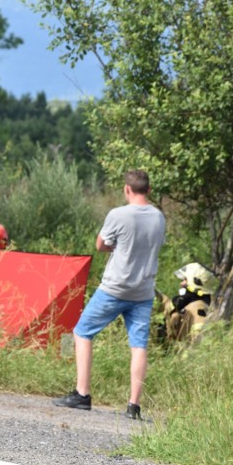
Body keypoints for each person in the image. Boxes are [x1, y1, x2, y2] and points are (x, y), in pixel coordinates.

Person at [53, 170, 166, 420]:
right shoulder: (158, 218)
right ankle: (133, 405)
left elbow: (101, 245)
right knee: (138, 345)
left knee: (82, 332)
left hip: (115, 287)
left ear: (127, 189)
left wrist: (118, 245)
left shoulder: (118, 214)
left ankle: (82, 393)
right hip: (143, 290)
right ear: (148, 190)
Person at [158, 262, 218, 342]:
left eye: (185, 280)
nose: (181, 283)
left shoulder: (198, 312)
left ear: (195, 284)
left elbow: (197, 344)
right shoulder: (189, 304)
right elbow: (166, 304)